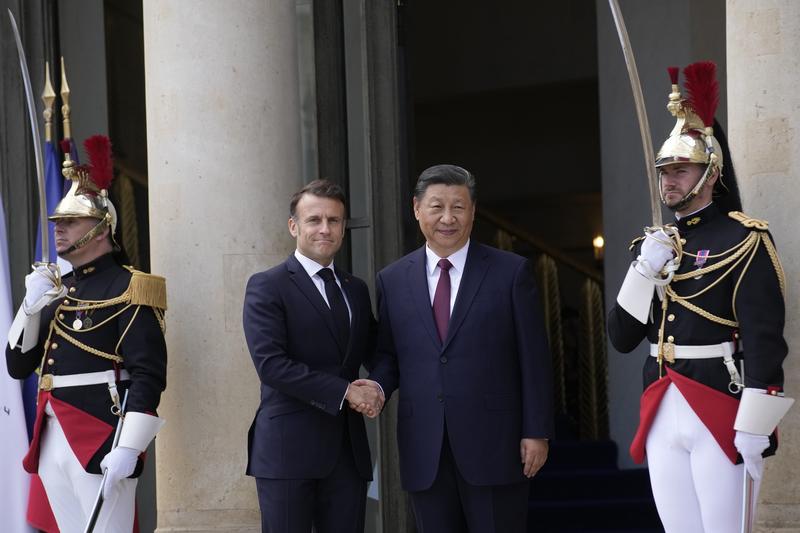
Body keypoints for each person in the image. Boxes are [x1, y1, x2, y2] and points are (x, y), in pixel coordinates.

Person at [608, 61, 790, 532]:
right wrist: (644, 269)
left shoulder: (744, 239)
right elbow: (622, 336)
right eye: (665, 170)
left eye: (681, 169)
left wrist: (757, 422)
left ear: (710, 173)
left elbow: (765, 339)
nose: (670, 179)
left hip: (719, 403)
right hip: (662, 401)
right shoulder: (651, 245)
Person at [355, 164, 553, 532]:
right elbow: (389, 355)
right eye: (436, 207)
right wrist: (377, 387)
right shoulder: (392, 280)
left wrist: (536, 430)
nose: (448, 218)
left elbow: (534, 358)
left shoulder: (511, 273)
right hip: (424, 447)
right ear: (416, 209)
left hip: (497, 444)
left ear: (473, 211)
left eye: (458, 207)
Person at [6, 135, 167, 532]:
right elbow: (17, 365)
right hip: (51, 434)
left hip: (100, 433)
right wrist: (30, 308)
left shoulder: (131, 286)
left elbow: (148, 373)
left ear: (100, 229)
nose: (59, 231)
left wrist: (130, 445)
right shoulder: (61, 290)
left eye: (70, 222)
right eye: (57, 223)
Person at [242, 179, 380, 533]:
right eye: (314, 220)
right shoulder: (267, 285)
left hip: (348, 455)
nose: (325, 228)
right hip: (288, 453)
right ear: (294, 226)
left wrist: (378, 387)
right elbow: (272, 366)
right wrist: (346, 392)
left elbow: (378, 351)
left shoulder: (356, 290)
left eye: (334, 221)